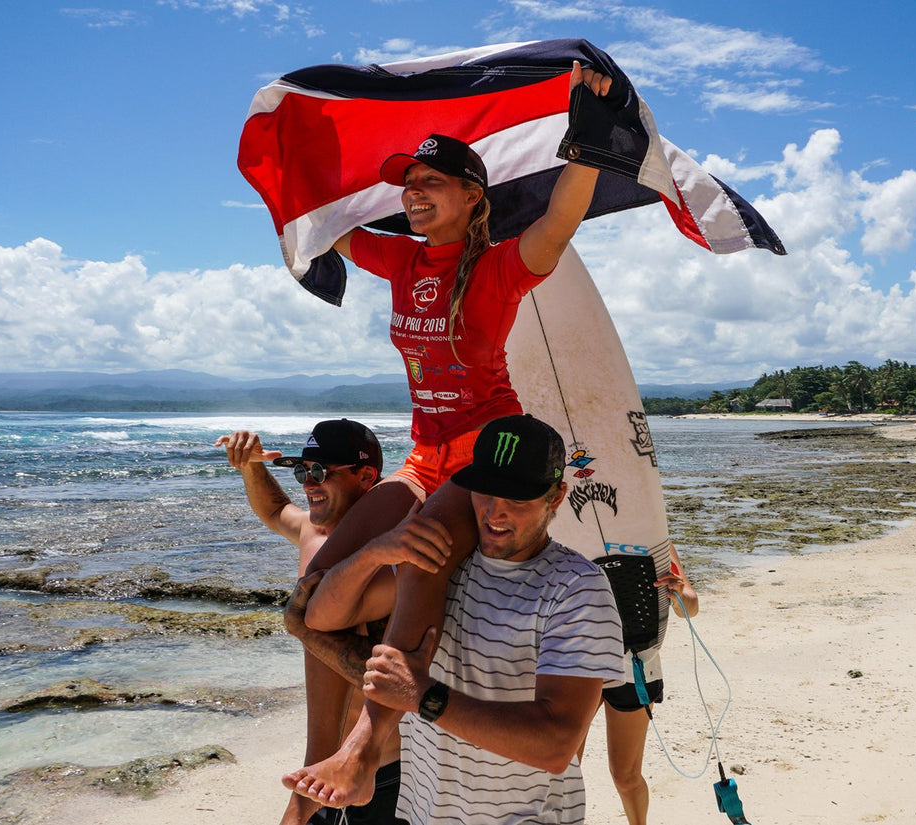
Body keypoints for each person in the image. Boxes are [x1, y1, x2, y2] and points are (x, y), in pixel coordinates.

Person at [285, 59, 616, 807]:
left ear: (473, 197)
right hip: (425, 455)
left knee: (424, 553)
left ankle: (367, 745)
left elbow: (559, 223)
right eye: (407, 184)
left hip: (482, 453)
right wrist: (297, 155)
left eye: (430, 183)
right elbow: (331, 225)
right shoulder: (399, 259)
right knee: (305, 603)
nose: (412, 193)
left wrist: (586, 138)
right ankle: (377, 707)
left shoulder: (499, 269)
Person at [307, 414, 626, 823]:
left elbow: (555, 744)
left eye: (517, 500)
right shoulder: (441, 567)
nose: (494, 513)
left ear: (557, 496)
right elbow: (319, 616)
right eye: (485, 493)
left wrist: (423, 695)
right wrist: (377, 551)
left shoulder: (576, 588)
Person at [215, 419, 403, 825]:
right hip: (319, 775)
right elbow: (275, 509)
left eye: (319, 472)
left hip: (387, 772)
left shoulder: (394, 547)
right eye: (301, 471)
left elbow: (394, 673)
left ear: (366, 475)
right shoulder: (312, 533)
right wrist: (251, 467)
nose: (307, 484)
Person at [595, 543, 699, 825]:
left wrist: (677, 593)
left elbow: (691, 605)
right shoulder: (567, 528)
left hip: (634, 663)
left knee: (625, 776)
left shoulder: (653, 538)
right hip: (579, 659)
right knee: (562, 768)